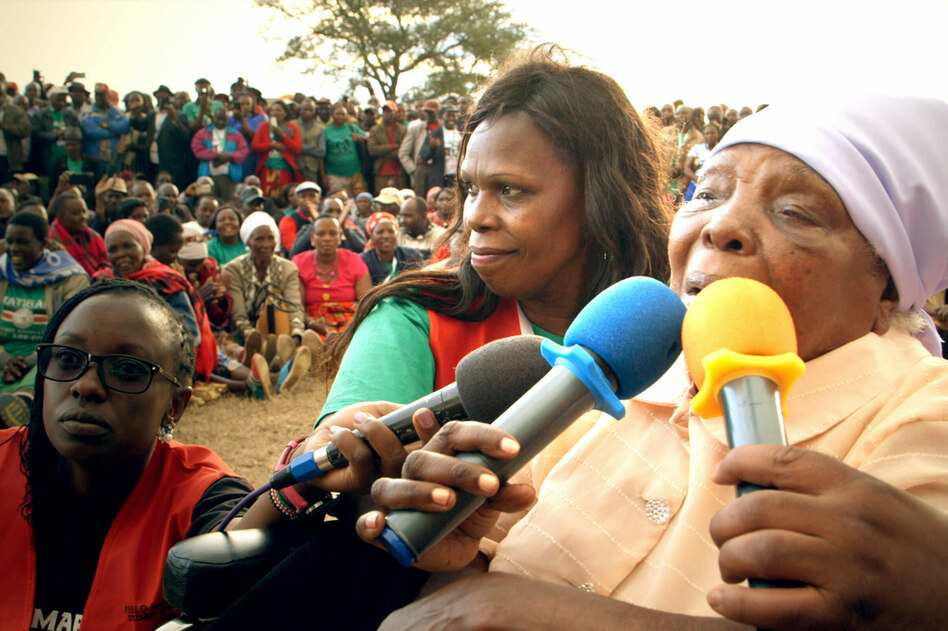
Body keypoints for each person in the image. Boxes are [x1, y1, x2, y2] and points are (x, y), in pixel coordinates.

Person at [359, 95, 948, 628]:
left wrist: (546, 618)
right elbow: (471, 583)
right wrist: (457, 557)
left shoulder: (925, 415)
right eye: (708, 193)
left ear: (888, 288)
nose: (720, 226)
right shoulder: (628, 376)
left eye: (794, 211)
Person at [200, 46, 671, 630]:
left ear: (601, 198)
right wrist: (365, 484)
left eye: (511, 191)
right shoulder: (415, 317)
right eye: (470, 188)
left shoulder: (669, 330)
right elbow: (341, 469)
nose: (475, 215)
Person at [0, 279, 255, 629]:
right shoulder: (3, 463)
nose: (85, 385)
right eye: (67, 358)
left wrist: (298, 488)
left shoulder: (198, 493)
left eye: (128, 369)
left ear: (175, 406)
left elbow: (246, 543)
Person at [94, 219, 217, 381]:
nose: (121, 254)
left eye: (127, 246)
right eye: (113, 249)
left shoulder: (165, 281)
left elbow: (190, 335)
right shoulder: (103, 283)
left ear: (144, 248)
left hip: (162, 361)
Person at [0, 211, 88, 427]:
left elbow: (73, 331)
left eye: (22, 242)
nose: (13, 249)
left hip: (47, 358)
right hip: (4, 359)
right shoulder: (1, 273)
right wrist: (4, 359)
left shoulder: (70, 278)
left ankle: (23, 404)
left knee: (48, 373)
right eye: (10, 242)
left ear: (43, 244)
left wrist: (30, 360)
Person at [222, 211, 305, 343]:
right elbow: (238, 314)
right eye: (259, 239)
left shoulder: (288, 269)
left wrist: (296, 335)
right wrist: (255, 339)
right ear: (248, 243)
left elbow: (294, 305)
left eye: (271, 238)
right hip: (245, 335)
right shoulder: (233, 269)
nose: (266, 244)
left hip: (282, 333)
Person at [292, 213, 370, 336]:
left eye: (332, 233)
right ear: (312, 238)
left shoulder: (353, 260)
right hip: (312, 327)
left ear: (340, 237)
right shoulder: (299, 262)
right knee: (311, 343)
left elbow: (365, 304)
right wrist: (314, 325)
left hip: (350, 326)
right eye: (321, 234)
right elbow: (296, 306)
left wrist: (349, 328)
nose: (327, 238)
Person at [191, 107, 249, 203]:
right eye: (218, 118)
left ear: (228, 119)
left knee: (228, 203)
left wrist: (229, 156)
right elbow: (197, 150)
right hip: (208, 175)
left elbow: (243, 151)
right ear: (213, 118)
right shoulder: (203, 133)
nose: (221, 122)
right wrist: (216, 156)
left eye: (224, 119)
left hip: (229, 177)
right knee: (207, 202)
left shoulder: (235, 134)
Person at [47, 192, 108, 275]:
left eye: (84, 212)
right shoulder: (52, 244)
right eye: (76, 213)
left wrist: (104, 273)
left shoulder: (93, 235)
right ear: (61, 217)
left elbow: (108, 262)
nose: (83, 217)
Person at [251, 100, 302, 197]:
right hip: (267, 168)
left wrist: (282, 135)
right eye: (273, 110)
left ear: (285, 113)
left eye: (279, 110)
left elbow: (297, 148)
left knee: (283, 196)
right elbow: (255, 146)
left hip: (285, 168)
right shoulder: (264, 126)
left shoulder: (291, 127)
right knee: (267, 196)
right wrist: (271, 145)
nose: (275, 113)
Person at [360, 211, 424, 285]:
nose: (386, 236)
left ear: (397, 234)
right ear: (371, 236)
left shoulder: (412, 256)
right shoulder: (364, 260)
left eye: (391, 231)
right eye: (380, 232)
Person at [321, 103, 367, 196]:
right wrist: (323, 176)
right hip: (334, 175)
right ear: (332, 115)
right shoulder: (326, 131)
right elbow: (321, 155)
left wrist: (360, 137)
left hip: (355, 174)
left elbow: (368, 140)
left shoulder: (353, 128)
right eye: (338, 113)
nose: (341, 116)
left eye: (343, 114)